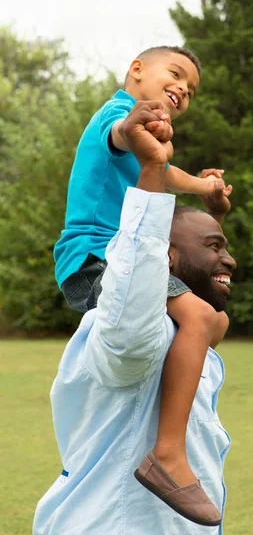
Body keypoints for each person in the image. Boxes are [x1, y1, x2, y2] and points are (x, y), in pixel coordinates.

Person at [33, 101, 237, 534]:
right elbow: (137, 278)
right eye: (216, 245)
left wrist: (211, 207)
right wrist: (150, 172)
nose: (231, 259)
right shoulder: (133, 334)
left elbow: (193, 269)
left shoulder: (186, 333)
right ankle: (168, 453)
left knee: (212, 322)